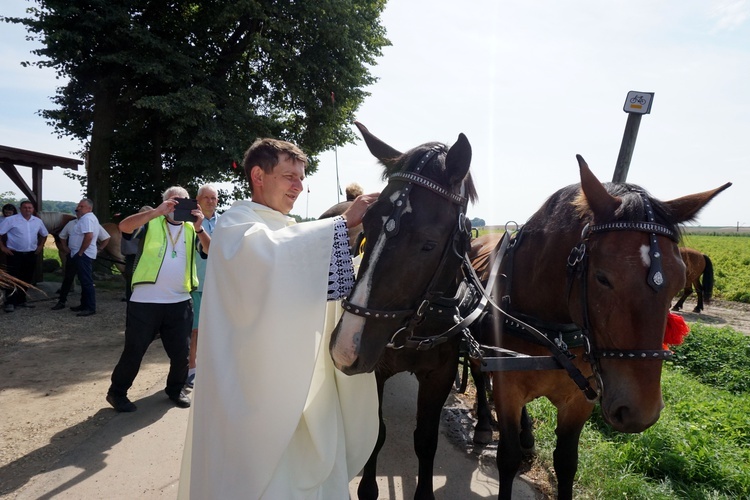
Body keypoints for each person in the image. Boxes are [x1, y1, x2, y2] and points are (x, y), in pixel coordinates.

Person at [179, 138, 380, 499]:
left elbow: (310, 282)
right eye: (289, 176)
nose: (298, 186)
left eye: (301, 178)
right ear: (258, 175)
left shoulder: (286, 227)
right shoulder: (234, 225)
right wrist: (341, 223)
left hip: (297, 377)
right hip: (252, 387)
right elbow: (269, 260)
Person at [106, 186, 209, 412]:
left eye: (183, 202)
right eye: (174, 201)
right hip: (146, 301)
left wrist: (200, 228)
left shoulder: (192, 229)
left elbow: (210, 250)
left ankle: (175, 389)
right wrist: (157, 211)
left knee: (181, 354)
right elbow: (124, 226)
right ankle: (117, 393)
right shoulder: (150, 222)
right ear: (165, 202)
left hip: (180, 301)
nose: (177, 206)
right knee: (134, 350)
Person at [185, 185, 218, 389]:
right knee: (195, 330)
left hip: (219, 285)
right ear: (198, 199)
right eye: (205, 197)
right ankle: (191, 369)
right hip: (196, 283)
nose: (210, 201)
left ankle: (212, 369)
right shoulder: (188, 221)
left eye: (213, 198)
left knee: (217, 329)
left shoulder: (225, 222)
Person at [51, 215, 111, 311]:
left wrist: (100, 248)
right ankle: (62, 301)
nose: (79, 212)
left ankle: (87, 305)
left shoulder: (93, 224)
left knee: (85, 280)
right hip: (72, 254)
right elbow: (62, 236)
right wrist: (65, 248)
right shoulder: (71, 224)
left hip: (84, 255)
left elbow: (106, 237)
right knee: (68, 278)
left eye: (80, 209)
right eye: (77, 210)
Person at [0, 200, 48, 313]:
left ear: (33, 209)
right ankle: (10, 302)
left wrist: (41, 246)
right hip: (14, 254)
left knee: (26, 277)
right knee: (12, 278)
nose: (27, 209)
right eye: (25, 207)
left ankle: (22, 300)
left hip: (31, 254)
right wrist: (2, 247)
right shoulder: (11, 220)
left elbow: (44, 234)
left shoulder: (37, 221)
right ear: (20, 209)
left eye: (30, 207)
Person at [120, 205, 153, 302]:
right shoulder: (139, 226)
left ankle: (132, 299)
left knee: (131, 279)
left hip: (136, 257)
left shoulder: (138, 226)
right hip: (139, 257)